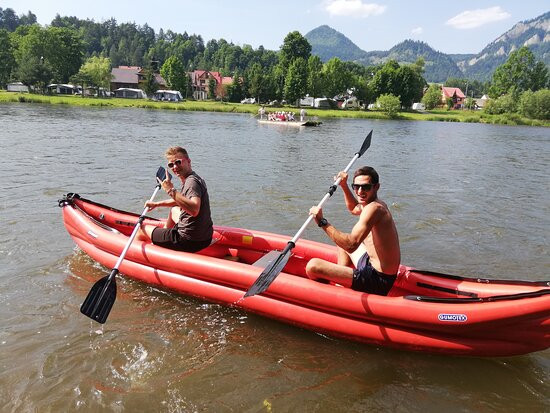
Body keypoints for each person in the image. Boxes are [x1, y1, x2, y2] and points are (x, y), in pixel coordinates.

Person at [306, 166, 400, 296]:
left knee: (313, 266)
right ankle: (340, 283)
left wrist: (322, 222)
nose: (360, 191)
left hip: (378, 279)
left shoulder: (375, 209)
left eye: (365, 187)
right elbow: (354, 208)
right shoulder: (370, 203)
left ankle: (336, 291)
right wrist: (344, 185)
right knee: (341, 243)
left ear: (376, 187)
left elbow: (351, 245)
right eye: (356, 187)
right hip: (369, 263)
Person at [137, 146, 213, 252]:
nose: (175, 167)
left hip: (188, 240)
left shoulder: (191, 183)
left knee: (141, 230)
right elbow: (182, 200)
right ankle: (160, 241)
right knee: (174, 210)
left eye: (178, 162)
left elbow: (194, 209)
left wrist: (170, 190)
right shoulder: (194, 178)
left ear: (188, 161)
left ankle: (139, 257)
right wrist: (157, 204)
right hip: (205, 238)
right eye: (171, 164)